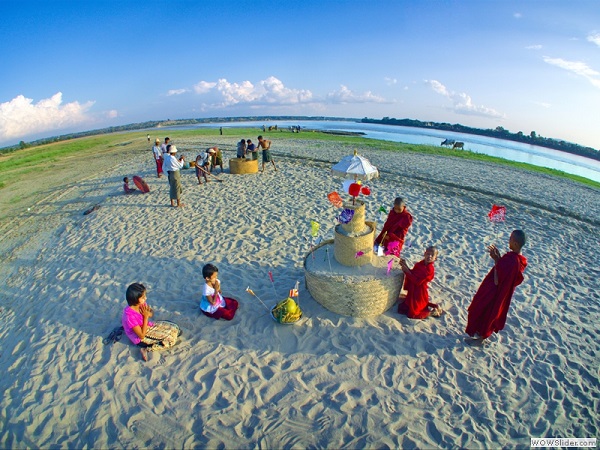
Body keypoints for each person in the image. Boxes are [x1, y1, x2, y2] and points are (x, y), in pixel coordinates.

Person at [465, 230, 528, 341]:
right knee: (486, 313)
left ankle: (480, 337)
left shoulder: (511, 260)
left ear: (516, 244)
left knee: (479, 309)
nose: (509, 241)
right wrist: (499, 259)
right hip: (502, 293)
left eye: (510, 239)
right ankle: (480, 334)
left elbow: (497, 280)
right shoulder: (518, 259)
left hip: (494, 292)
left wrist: (496, 261)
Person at [122, 282, 181, 361]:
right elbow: (141, 335)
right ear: (135, 299)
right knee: (171, 340)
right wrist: (146, 317)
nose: (145, 298)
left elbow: (151, 312)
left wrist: (148, 314)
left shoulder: (141, 304)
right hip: (140, 337)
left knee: (175, 327)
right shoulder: (130, 316)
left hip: (148, 325)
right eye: (143, 297)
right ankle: (146, 349)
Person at [398, 246, 442, 319]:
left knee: (413, 314)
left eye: (432, 255)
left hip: (419, 292)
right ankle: (433, 306)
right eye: (428, 254)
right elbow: (413, 274)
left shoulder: (429, 269)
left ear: (435, 258)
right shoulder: (419, 264)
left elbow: (417, 282)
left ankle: (431, 313)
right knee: (403, 308)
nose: (429, 256)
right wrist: (405, 265)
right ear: (424, 254)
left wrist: (407, 271)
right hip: (413, 290)